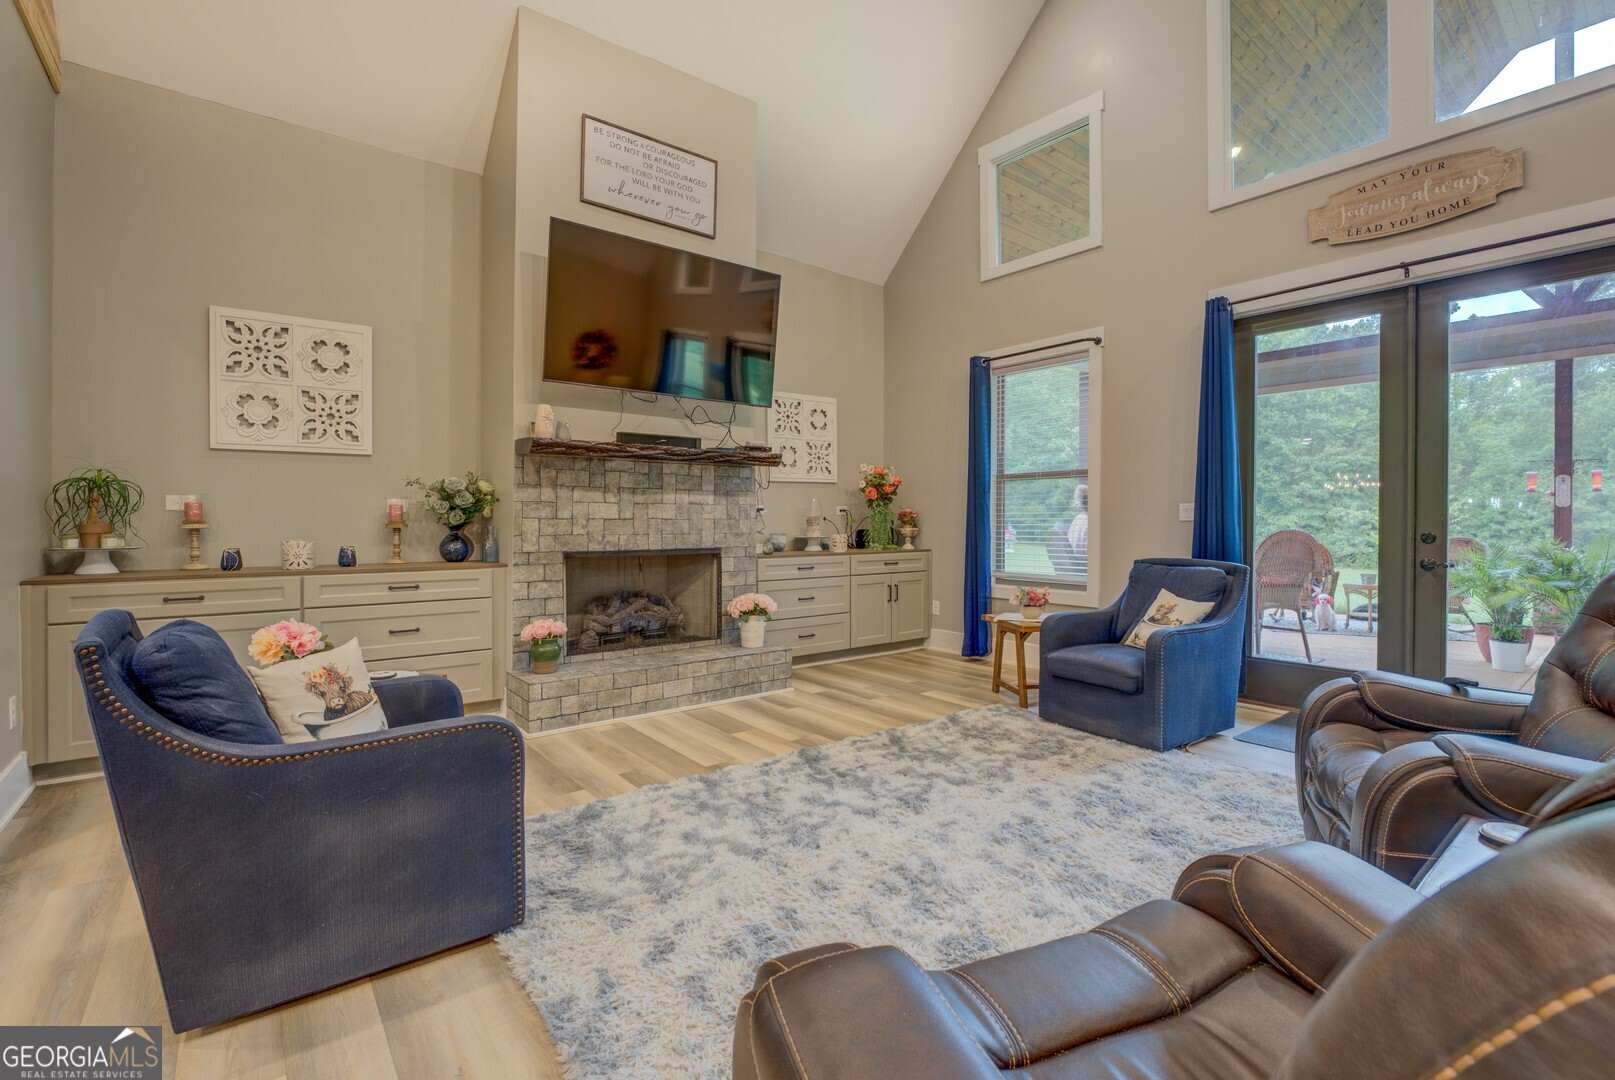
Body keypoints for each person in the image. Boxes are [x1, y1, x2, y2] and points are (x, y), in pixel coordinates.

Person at [1066, 484, 1089, 575]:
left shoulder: (1078, 519)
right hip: (1086, 567)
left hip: (1077, 566)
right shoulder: (1090, 522)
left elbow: (1069, 539)